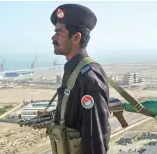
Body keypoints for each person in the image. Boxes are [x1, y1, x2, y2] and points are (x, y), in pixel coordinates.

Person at [48, 3, 111, 154]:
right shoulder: (74, 71)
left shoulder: (88, 78)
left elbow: (95, 139)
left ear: (76, 37)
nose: (53, 37)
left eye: (59, 33)